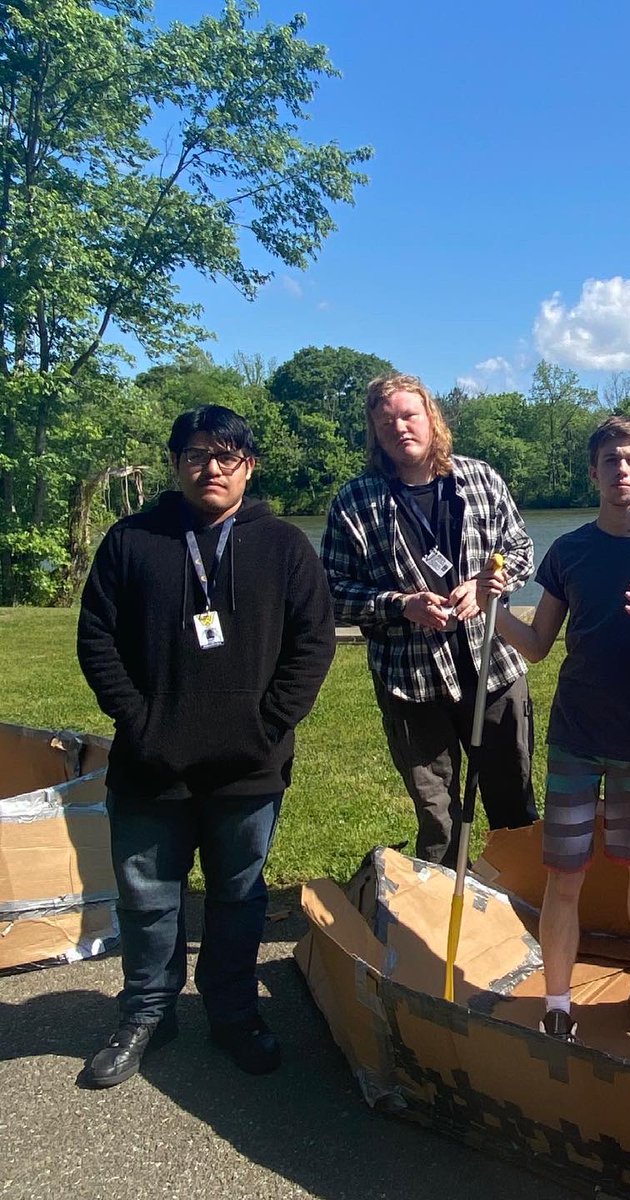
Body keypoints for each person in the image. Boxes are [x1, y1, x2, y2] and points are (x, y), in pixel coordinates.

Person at [76, 405, 335, 1088]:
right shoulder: (132, 541)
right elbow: (97, 641)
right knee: (147, 899)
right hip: (149, 765)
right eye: (195, 455)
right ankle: (147, 1015)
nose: (210, 468)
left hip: (248, 766)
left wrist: (267, 726)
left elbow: (313, 643)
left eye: (226, 456)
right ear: (175, 464)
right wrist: (139, 723)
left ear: (248, 465)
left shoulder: (283, 546)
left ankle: (233, 1014)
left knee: (238, 897)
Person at [490, 415, 630, 1047]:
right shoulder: (569, 551)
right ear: (594, 473)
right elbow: (537, 645)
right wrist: (491, 609)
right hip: (576, 735)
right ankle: (558, 1002)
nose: (622, 472)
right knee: (566, 870)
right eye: (610, 462)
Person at [322, 372, 537, 868]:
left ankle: (523, 908)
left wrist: (487, 587)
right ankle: (438, 920)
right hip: (410, 680)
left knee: (513, 804)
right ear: (374, 433)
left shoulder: (481, 478)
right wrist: (401, 604)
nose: (399, 428)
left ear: (431, 418)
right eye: (385, 421)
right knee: (438, 816)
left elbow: (521, 549)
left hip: (493, 669)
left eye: (408, 415)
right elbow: (332, 593)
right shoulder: (354, 502)